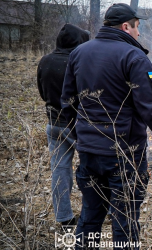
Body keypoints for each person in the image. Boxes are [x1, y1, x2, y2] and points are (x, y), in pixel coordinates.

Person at [60, 3, 152, 248]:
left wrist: (82, 138)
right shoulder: (134, 57)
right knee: (124, 221)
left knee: (90, 217)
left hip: (89, 153)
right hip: (123, 156)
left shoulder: (78, 53)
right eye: (137, 27)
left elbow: (67, 104)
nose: (139, 33)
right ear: (126, 27)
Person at [37, 23, 89, 229]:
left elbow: (42, 93)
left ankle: (64, 217)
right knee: (93, 170)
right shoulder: (79, 61)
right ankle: (99, 212)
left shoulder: (45, 61)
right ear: (78, 42)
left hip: (53, 124)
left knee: (60, 170)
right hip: (78, 126)